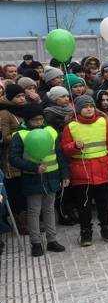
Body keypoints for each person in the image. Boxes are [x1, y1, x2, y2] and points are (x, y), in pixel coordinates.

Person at [60, 94, 108, 246]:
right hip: (81, 172)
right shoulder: (71, 126)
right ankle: (86, 231)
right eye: (85, 107)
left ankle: (106, 229)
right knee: (84, 204)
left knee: (103, 203)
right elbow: (64, 149)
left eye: (91, 106)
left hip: (102, 169)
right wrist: (73, 146)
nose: (88, 109)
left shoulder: (103, 122)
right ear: (79, 110)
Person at [8, 105, 68, 256]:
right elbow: (13, 158)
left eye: (41, 119)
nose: (40, 122)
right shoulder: (20, 135)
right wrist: (34, 167)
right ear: (28, 120)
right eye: (36, 120)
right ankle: (35, 243)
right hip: (32, 178)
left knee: (49, 209)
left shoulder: (51, 132)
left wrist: (65, 175)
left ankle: (52, 240)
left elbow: (59, 155)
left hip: (52, 176)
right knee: (34, 211)